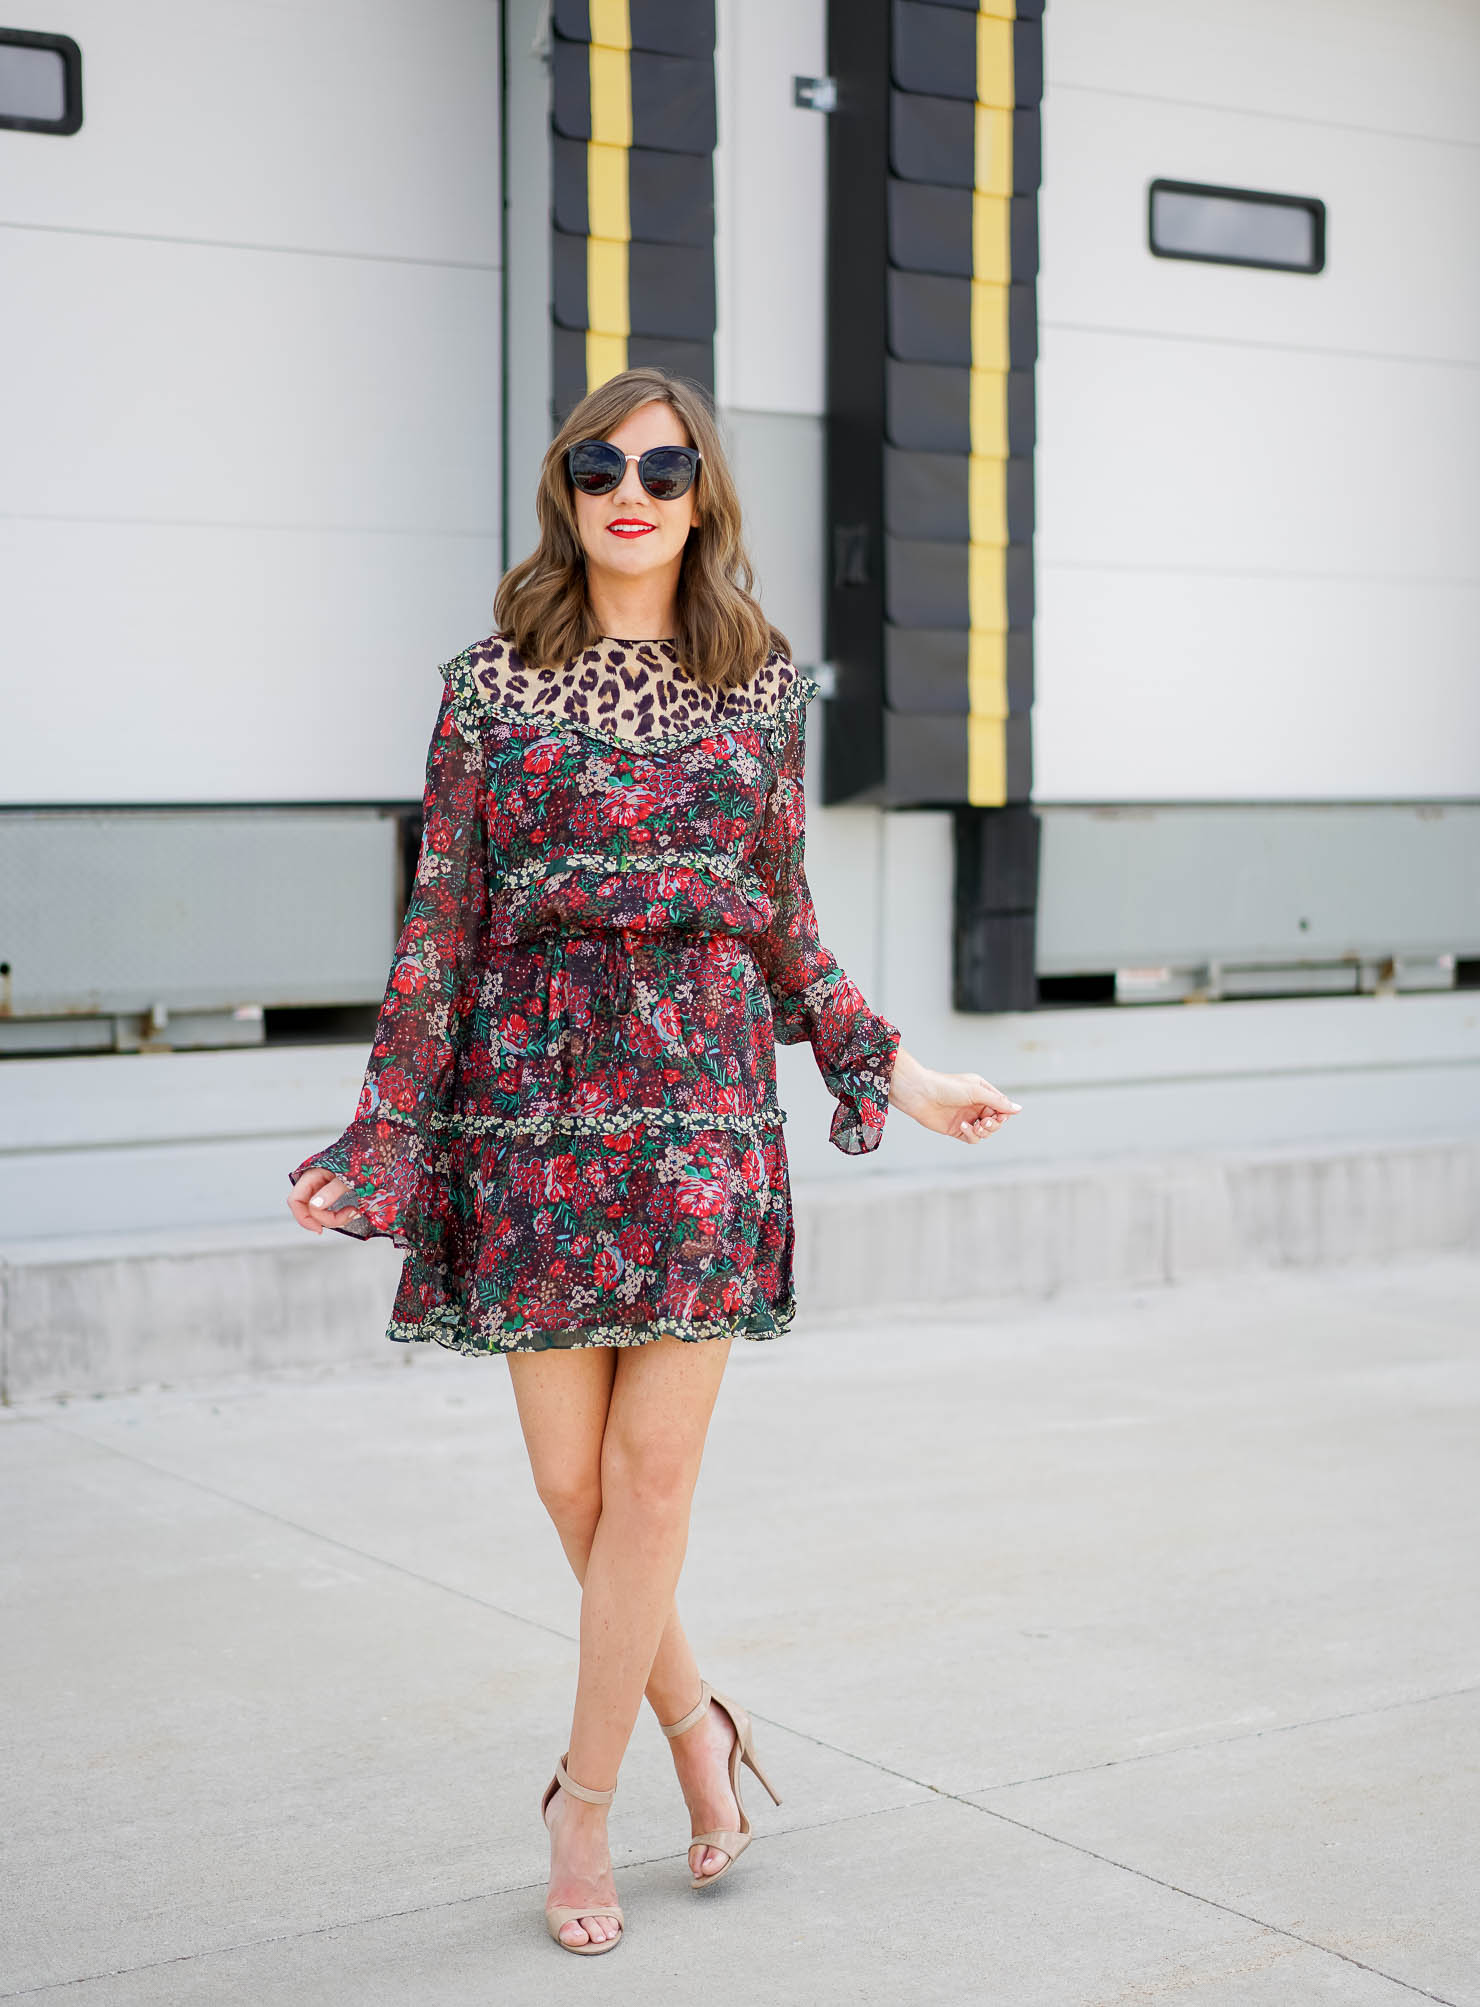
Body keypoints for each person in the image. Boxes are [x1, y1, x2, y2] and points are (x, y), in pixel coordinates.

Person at [286, 366, 1022, 1955]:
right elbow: (440, 931)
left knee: (654, 1479)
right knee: (574, 1485)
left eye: (667, 468)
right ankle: (701, 1724)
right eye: (604, 464)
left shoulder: (758, 686)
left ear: (703, 496)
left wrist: (900, 1074)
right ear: (568, 489)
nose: (635, 489)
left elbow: (780, 927)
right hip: (525, 1114)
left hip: (697, 1116)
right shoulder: (492, 684)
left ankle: (584, 1805)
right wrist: (385, 1134)